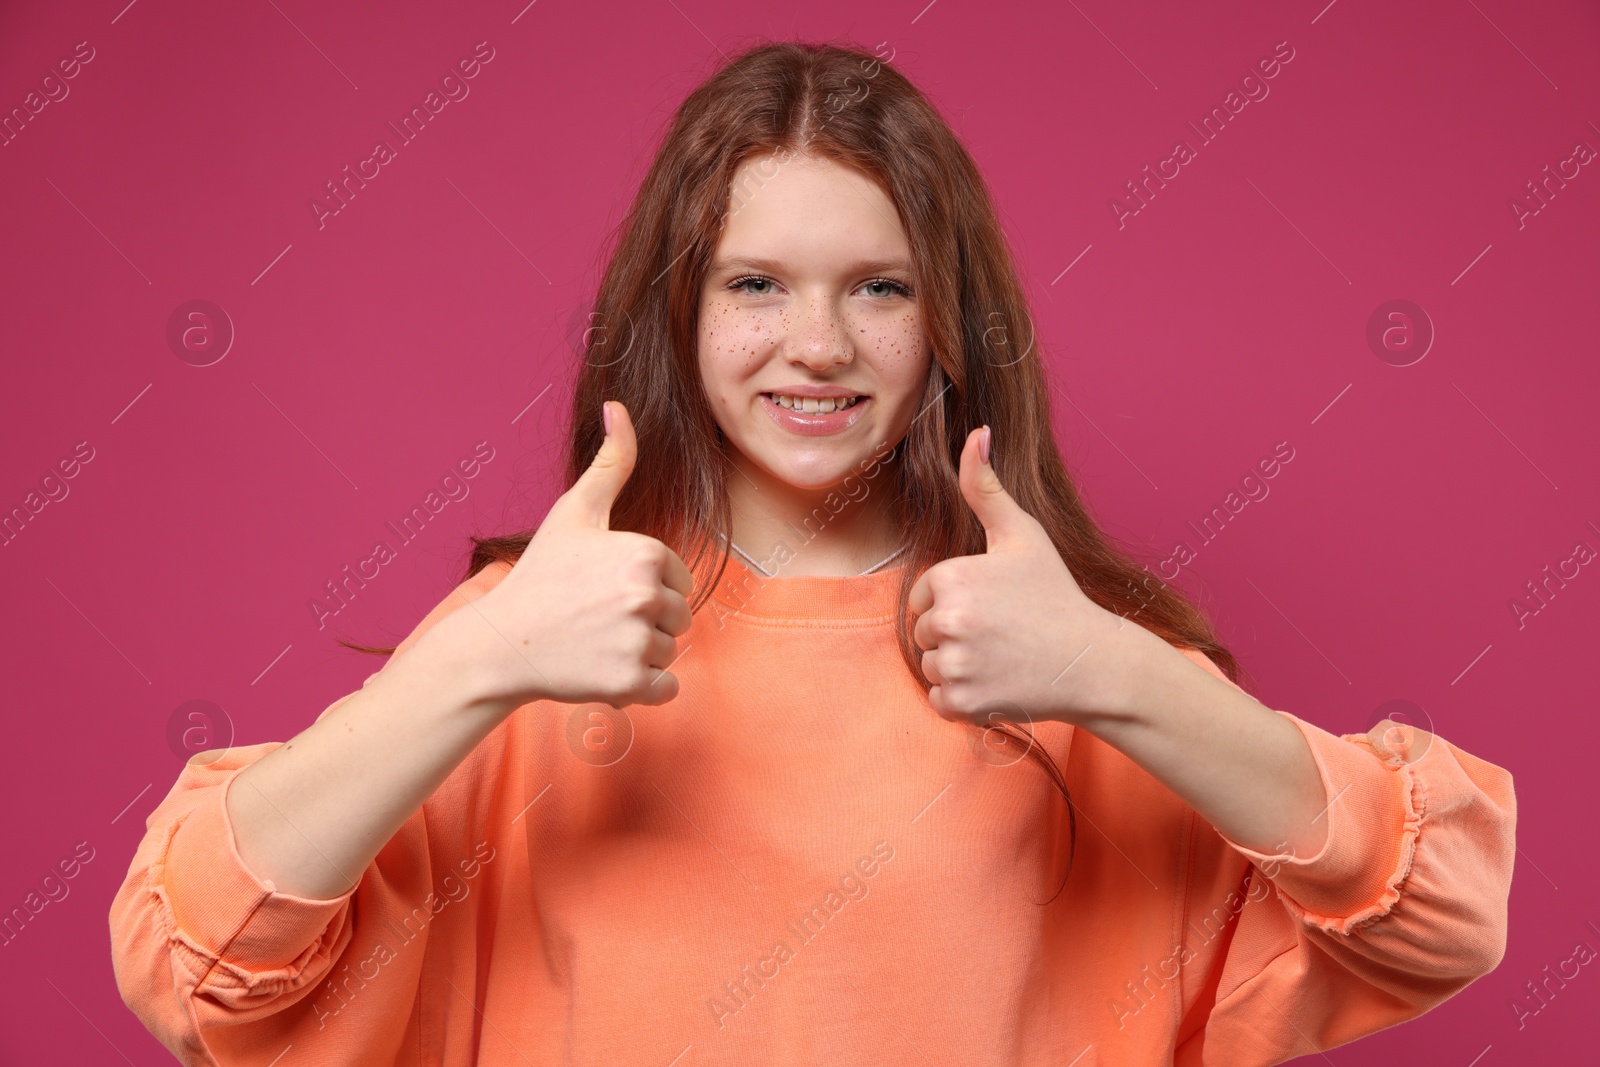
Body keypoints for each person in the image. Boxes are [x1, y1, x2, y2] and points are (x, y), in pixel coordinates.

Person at [109, 40, 1515, 1066]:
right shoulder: (536, 636)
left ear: (948, 322)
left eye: (880, 288)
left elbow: (1437, 921)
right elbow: (199, 972)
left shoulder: (1082, 664)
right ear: (676, 313)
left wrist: (1117, 667)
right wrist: (468, 666)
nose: (821, 345)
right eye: (757, 284)